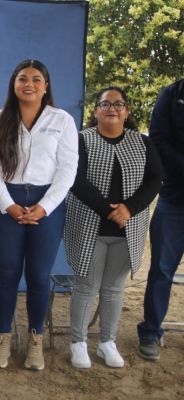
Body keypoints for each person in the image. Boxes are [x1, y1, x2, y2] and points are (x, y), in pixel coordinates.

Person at [0, 59, 78, 371]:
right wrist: (6, 203)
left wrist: (45, 207)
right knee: (8, 275)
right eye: (23, 78)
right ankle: (4, 337)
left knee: (38, 276)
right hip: (5, 202)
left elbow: (67, 169)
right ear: (14, 84)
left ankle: (36, 339)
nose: (29, 84)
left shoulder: (61, 120)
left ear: (46, 86)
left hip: (46, 203)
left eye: (36, 79)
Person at [65, 87, 161, 369]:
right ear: (96, 111)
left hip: (127, 229)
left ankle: (107, 342)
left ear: (127, 112)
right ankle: (78, 343)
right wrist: (109, 210)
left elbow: (155, 179)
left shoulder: (142, 143)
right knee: (86, 286)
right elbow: (75, 179)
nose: (112, 109)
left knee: (114, 289)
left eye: (118, 104)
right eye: (105, 104)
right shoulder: (82, 140)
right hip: (90, 226)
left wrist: (129, 208)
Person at [137, 79, 184, 361]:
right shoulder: (172, 94)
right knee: (162, 270)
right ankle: (151, 331)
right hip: (174, 197)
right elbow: (158, 139)